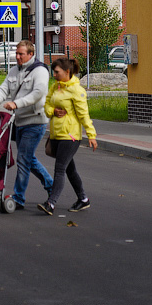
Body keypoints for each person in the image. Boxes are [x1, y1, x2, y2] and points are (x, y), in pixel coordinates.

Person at [0, 39, 54, 210]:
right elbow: (3, 89)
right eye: (16, 53)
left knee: (23, 158)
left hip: (35, 121)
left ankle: (18, 198)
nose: (17, 57)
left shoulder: (40, 71)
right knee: (27, 157)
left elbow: (39, 93)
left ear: (31, 54)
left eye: (21, 54)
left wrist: (17, 104)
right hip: (19, 122)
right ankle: (51, 185)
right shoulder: (14, 70)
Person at [38, 57, 97, 215]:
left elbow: (84, 115)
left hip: (70, 136)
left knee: (60, 169)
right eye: (53, 72)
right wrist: (53, 111)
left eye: (57, 72)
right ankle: (83, 199)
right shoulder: (55, 87)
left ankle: (51, 203)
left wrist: (91, 135)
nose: (54, 75)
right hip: (56, 134)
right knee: (70, 170)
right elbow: (47, 103)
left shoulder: (77, 91)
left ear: (67, 72)